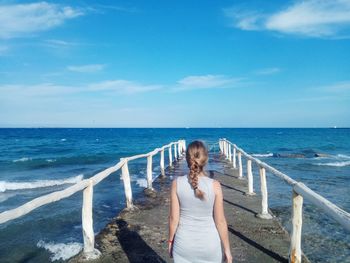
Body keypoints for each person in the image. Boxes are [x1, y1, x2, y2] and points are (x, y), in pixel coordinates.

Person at [168, 140, 232, 263]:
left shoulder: (176, 184)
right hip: (209, 245)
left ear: (187, 159)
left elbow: (173, 219)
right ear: (206, 159)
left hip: (183, 245)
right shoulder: (215, 185)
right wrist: (227, 250)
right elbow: (220, 221)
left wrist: (170, 241)